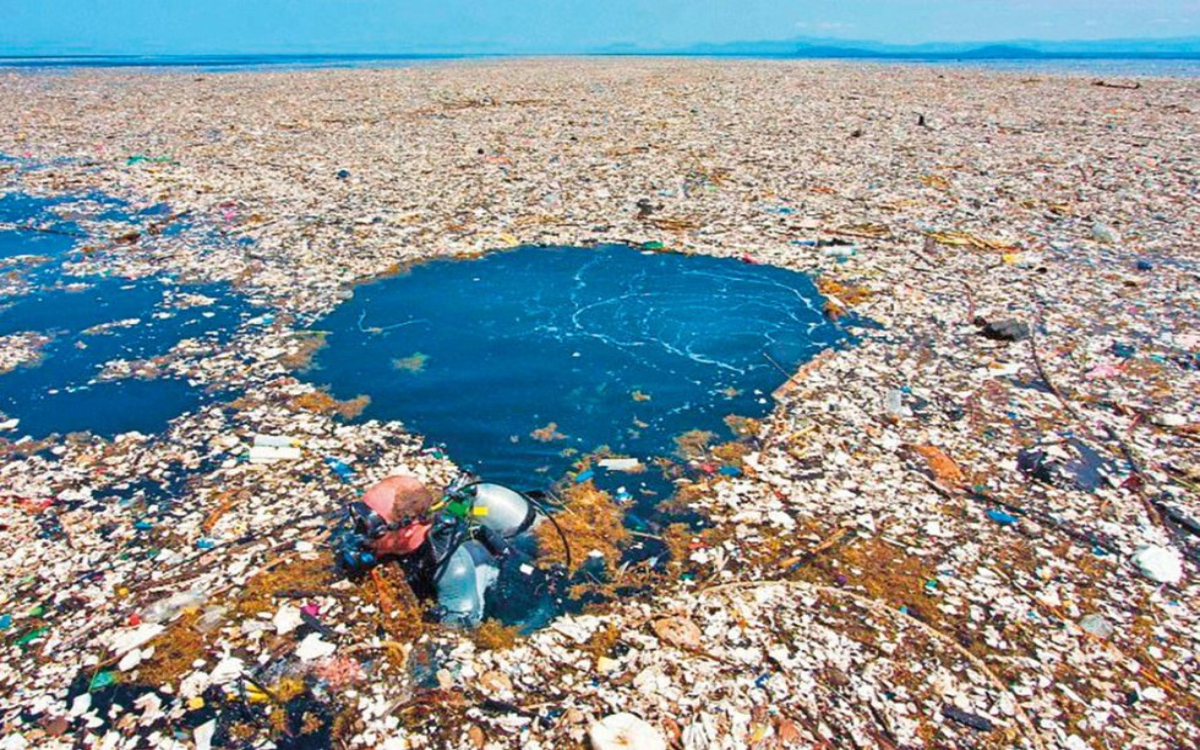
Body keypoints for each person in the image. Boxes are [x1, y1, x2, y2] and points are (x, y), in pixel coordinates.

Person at [335, 472, 549, 627]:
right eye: (359, 515)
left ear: (408, 529)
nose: (359, 532)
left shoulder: (453, 569)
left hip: (501, 579)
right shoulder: (389, 534)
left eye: (370, 526)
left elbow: (460, 631)